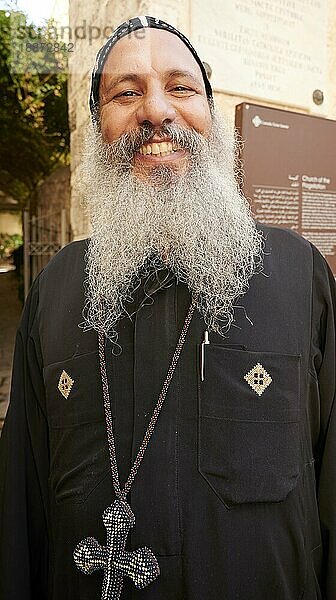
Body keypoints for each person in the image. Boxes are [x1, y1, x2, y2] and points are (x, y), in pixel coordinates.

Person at [0, 15, 335, 600]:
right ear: (98, 126)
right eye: (126, 92)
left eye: (181, 87)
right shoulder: (55, 290)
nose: (156, 110)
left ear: (212, 119)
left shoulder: (300, 276)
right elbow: (19, 517)